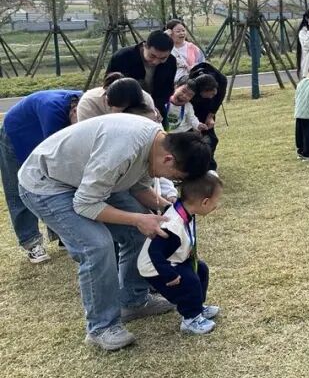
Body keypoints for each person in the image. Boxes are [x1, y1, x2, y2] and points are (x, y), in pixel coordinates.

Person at [18, 116, 212, 350]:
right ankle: (101, 327)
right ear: (169, 159)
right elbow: (85, 204)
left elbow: (138, 186)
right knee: (96, 246)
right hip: (48, 184)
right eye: (174, 177)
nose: (167, 180)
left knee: (147, 231)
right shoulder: (121, 152)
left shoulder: (157, 143)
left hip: (88, 181)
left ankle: (133, 301)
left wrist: (167, 206)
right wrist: (138, 219)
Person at [138, 171, 224, 336]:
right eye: (216, 201)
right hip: (155, 267)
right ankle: (190, 320)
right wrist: (169, 275)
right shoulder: (173, 225)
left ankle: (197, 308)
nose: (216, 205)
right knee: (189, 280)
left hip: (172, 259)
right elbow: (154, 251)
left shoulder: (184, 210)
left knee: (200, 269)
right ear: (205, 202)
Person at [1, 89, 81, 263]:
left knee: (60, 185)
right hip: (15, 134)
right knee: (18, 188)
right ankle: (31, 242)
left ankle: (63, 235)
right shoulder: (51, 109)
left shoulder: (88, 103)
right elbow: (54, 155)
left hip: (41, 131)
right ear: (74, 111)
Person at [106, 30, 178, 117]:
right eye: (152, 56)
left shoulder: (171, 62)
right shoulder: (122, 57)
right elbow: (110, 85)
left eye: (162, 58)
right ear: (145, 46)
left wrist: (153, 108)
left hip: (155, 109)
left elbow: (167, 90)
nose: (155, 61)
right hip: (123, 109)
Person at [188, 61, 226, 170]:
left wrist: (211, 116)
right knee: (193, 139)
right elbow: (188, 109)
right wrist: (195, 125)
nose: (211, 97)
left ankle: (209, 166)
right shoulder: (190, 87)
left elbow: (218, 99)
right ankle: (193, 167)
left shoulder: (221, 80)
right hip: (193, 110)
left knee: (211, 139)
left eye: (213, 94)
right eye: (207, 96)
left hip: (208, 109)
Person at [77, 72, 157, 122]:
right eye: (122, 111)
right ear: (108, 101)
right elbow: (88, 136)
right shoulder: (89, 102)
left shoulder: (145, 99)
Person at [165, 19, 205, 83]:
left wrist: (193, 67)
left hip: (191, 82)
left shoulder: (192, 48)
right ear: (170, 33)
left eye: (183, 30)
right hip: (169, 82)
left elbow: (202, 63)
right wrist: (164, 35)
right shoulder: (165, 48)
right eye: (178, 31)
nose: (182, 33)